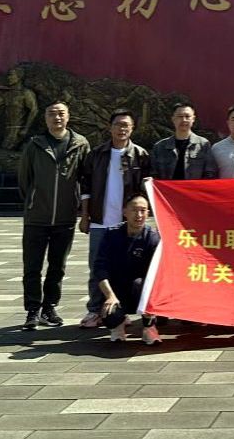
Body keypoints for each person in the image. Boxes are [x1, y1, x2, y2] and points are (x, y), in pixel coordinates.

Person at [17, 101, 90, 330]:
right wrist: (33, 201)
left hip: (65, 217)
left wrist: (80, 209)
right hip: (36, 217)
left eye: (61, 113)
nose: (57, 118)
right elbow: (24, 179)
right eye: (52, 114)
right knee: (32, 267)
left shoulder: (80, 144)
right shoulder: (34, 144)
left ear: (68, 117)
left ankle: (49, 307)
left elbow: (85, 179)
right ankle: (32, 310)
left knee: (58, 267)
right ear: (45, 118)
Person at [77, 108, 152, 329]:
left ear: (132, 128)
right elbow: (86, 186)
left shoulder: (140, 155)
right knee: (97, 267)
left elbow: (146, 189)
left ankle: (119, 310)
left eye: (126, 125)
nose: (122, 129)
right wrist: (85, 215)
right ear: (110, 128)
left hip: (127, 223)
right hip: (100, 220)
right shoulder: (97, 154)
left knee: (125, 269)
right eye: (118, 124)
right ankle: (94, 310)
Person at [94, 194, 161, 344]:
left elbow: (158, 273)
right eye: (134, 210)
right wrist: (110, 296)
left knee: (141, 285)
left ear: (148, 213)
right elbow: (100, 268)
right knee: (110, 313)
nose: (139, 215)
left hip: (141, 290)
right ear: (124, 212)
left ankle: (149, 327)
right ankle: (117, 325)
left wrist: (151, 300)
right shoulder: (111, 234)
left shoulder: (152, 238)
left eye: (143, 210)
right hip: (117, 289)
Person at [152, 103, 218, 180]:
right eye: (180, 116)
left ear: (193, 119)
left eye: (187, 116)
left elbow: (210, 173)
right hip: (166, 188)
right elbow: (153, 175)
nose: (184, 120)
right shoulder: (160, 147)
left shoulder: (203, 145)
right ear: (173, 119)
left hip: (193, 188)